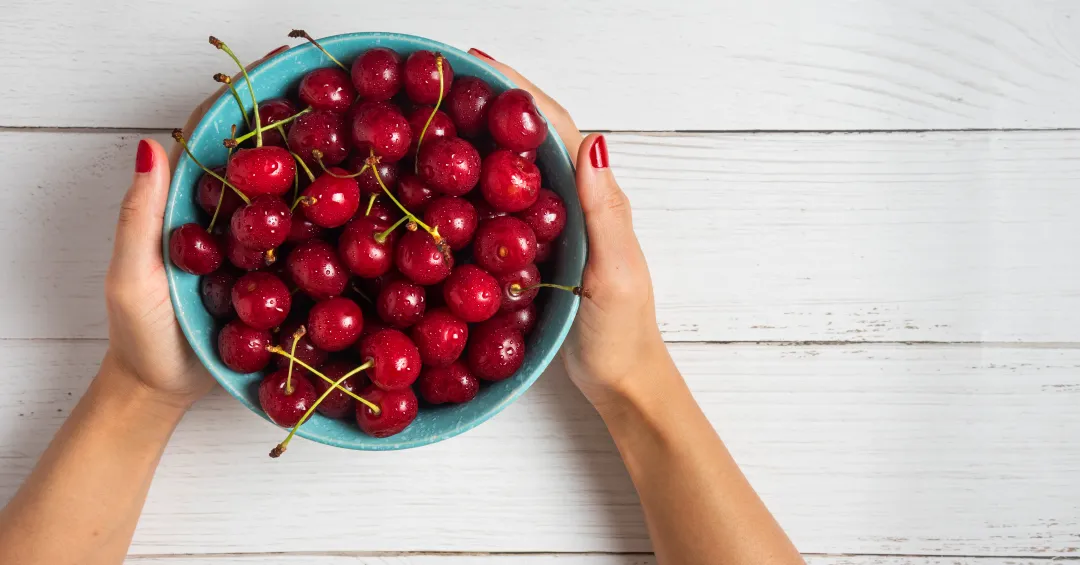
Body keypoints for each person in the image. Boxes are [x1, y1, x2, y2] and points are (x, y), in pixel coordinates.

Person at [0, 46, 805, 565]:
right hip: (356, 299)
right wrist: (634, 381)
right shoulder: (321, 238)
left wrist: (141, 391)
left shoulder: (469, 227)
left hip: (421, 290)